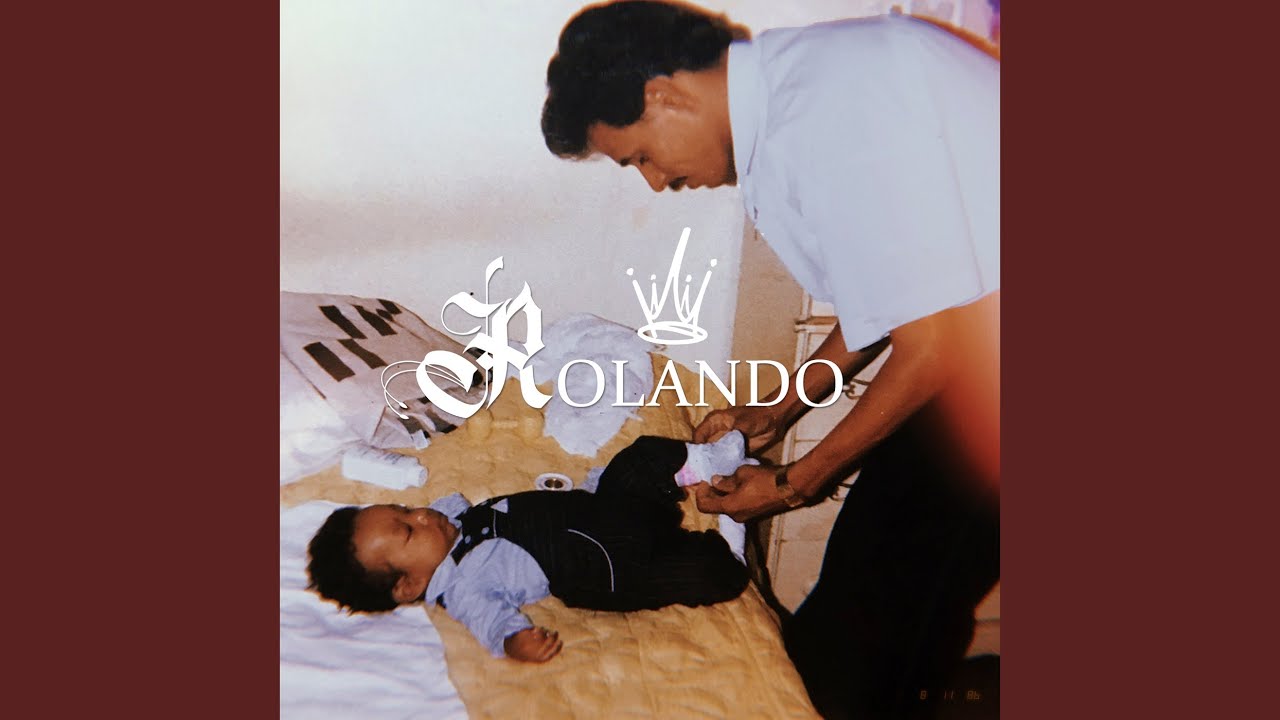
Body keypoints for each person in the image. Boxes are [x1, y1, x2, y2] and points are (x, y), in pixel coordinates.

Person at [542, 1, 1000, 716]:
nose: (656, 182)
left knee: (869, 612)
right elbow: (894, 299)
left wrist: (793, 483)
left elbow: (932, 344)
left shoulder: (826, 115)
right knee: (902, 593)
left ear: (663, 96)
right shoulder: (803, 92)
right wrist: (781, 408)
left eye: (640, 157)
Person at [306, 432, 754, 663]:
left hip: (603, 510)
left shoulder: (450, 523)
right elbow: (490, 622)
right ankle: (731, 544)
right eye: (408, 530)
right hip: (611, 566)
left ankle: (708, 462)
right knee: (698, 573)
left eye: (406, 509)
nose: (421, 515)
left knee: (638, 460)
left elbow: (445, 502)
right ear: (408, 585)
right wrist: (514, 642)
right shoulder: (463, 589)